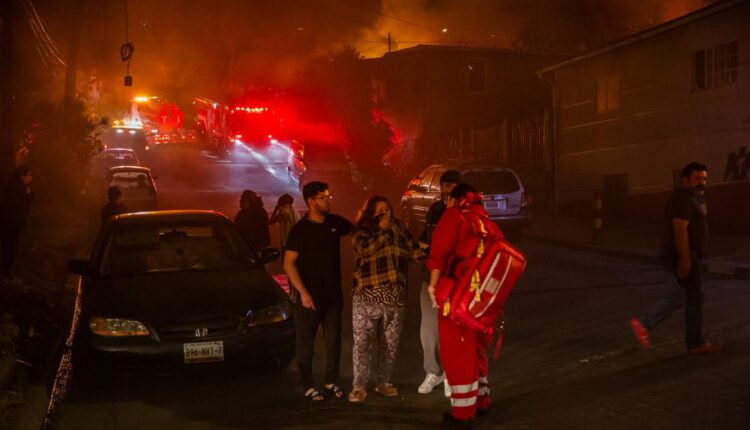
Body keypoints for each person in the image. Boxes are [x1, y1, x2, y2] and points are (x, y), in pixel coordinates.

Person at [427, 183, 503, 428]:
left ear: (453, 199)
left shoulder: (454, 216)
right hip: (484, 300)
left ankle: (462, 413)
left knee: (458, 352)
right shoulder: (487, 221)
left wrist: (432, 286)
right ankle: (481, 400)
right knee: (477, 349)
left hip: (457, 298)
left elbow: (439, 253)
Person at [630, 162, 721, 355]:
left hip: (683, 256)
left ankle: (647, 324)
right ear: (685, 180)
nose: (701, 183)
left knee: (681, 296)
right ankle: (693, 343)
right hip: (684, 256)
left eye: (704, 179)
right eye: (697, 178)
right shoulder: (682, 199)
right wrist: (685, 259)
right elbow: (680, 229)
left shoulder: (688, 198)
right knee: (694, 298)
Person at [348, 196, 423, 403]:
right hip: (367, 296)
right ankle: (359, 385)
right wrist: (383, 229)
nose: (385, 213)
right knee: (363, 344)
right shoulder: (362, 231)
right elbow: (364, 250)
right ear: (371, 213)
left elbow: (412, 248)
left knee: (389, 344)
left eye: (388, 209)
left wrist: (422, 252)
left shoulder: (398, 226)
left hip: (395, 297)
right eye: (380, 210)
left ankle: (383, 382)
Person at [283, 181, 353, 402]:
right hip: (309, 298)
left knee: (334, 340)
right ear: (311, 201)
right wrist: (303, 293)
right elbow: (289, 264)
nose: (328, 201)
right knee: (306, 342)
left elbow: (358, 228)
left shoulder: (334, 223)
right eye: (323, 197)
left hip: (333, 296)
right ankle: (306, 384)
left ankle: (331, 380)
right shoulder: (300, 231)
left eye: (329, 196)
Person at [417, 169, 460, 395]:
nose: (447, 190)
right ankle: (432, 372)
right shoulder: (435, 210)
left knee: (452, 328)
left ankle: (451, 374)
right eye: (444, 185)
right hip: (430, 276)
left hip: (455, 281)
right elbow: (428, 238)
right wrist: (423, 247)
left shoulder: (466, 214)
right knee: (429, 328)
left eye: (452, 186)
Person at [0, 165, 34, 285]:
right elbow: (14, 207)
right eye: (28, 175)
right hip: (9, 224)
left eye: (31, 175)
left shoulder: (24, 188)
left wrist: (28, 194)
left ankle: (8, 272)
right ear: (21, 176)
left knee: (11, 247)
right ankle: (6, 273)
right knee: (9, 248)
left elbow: (26, 206)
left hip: (15, 225)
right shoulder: (15, 189)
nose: (30, 178)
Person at [234, 189, 271, 255]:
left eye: (242, 199)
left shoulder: (258, 213)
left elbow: (260, 231)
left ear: (248, 200)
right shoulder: (243, 213)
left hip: (257, 249)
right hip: (248, 248)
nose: (240, 201)